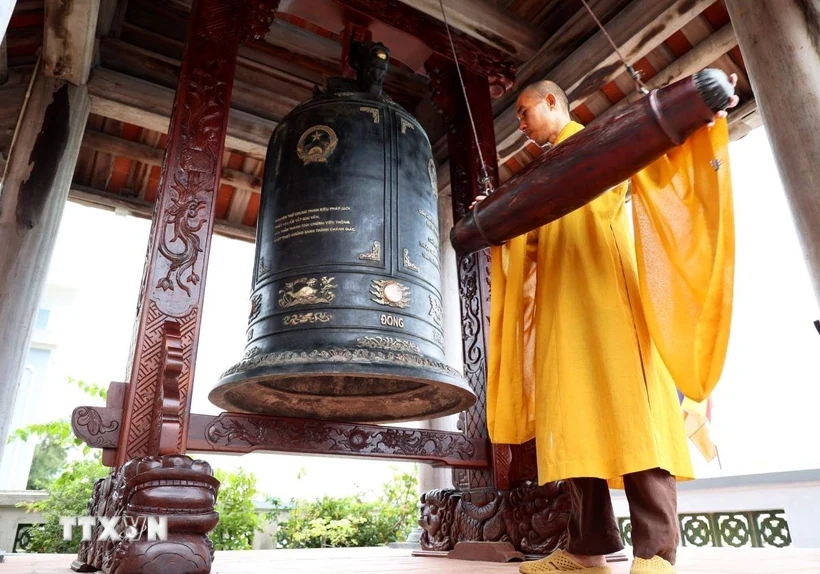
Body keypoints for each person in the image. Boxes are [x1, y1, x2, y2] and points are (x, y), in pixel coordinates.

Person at [473, 78, 738, 574]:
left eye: (525, 112)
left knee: (634, 415)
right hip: (562, 309)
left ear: (553, 101)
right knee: (574, 422)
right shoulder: (539, 176)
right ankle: (587, 548)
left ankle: (656, 554)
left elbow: (661, 167)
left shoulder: (608, 141)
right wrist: (497, 222)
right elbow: (527, 246)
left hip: (608, 296)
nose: (522, 124)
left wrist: (700, 121)